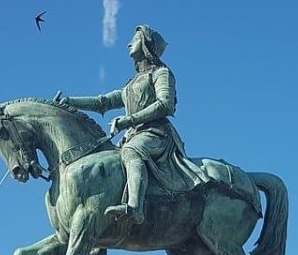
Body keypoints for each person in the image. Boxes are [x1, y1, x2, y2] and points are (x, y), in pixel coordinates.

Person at [58, 25, 207, 224]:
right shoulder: (132, 83)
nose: (129, 43)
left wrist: (129, 120)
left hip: (156, 134)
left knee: (131, 152)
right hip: (134, 135)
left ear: (146, 45)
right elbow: (103, 102)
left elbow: (165, 105)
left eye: (135, 39)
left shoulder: (161, 73)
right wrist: (71, 102)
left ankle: (135, 207)